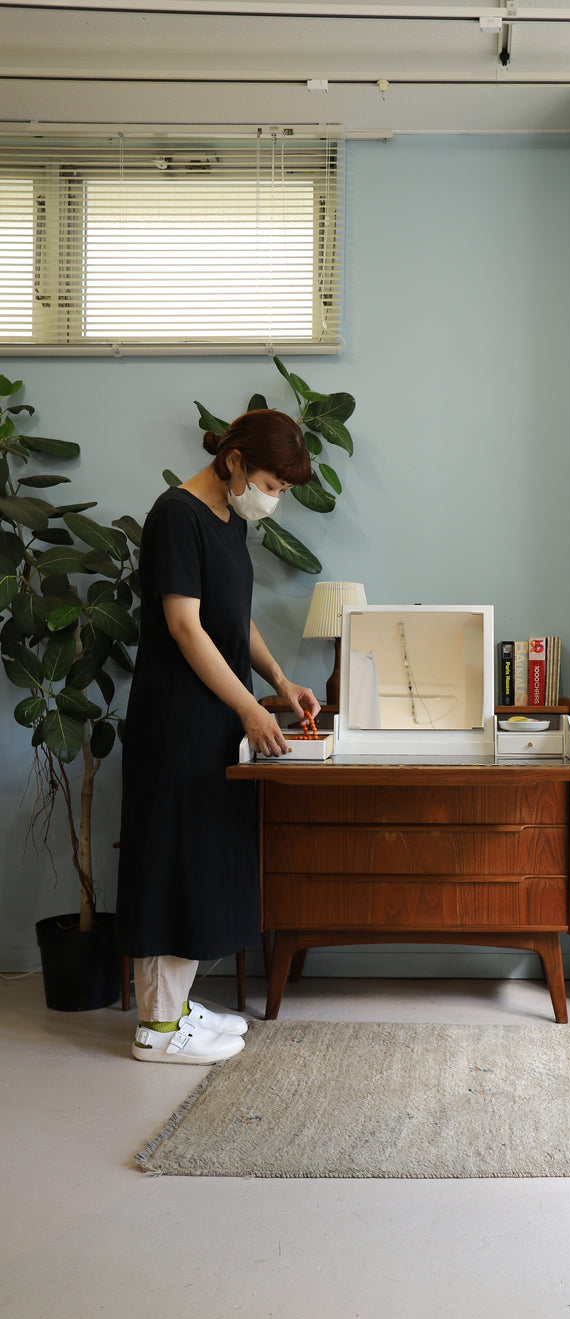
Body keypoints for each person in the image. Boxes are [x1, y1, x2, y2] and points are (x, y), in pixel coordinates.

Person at [117, 410, 320, 1063]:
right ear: (233, 460)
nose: (274, 497)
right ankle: (158, 1027)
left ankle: (174, 1005)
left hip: (214, 715)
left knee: (201, 861)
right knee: (171, 860)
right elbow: (185, 628)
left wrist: (280, 683)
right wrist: (249, 710)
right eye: (271, 482)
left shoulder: (230, 522)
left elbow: (234, 619)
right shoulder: (177, 515)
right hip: (177, 715)